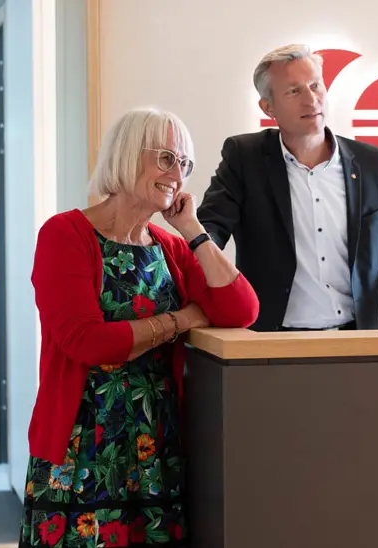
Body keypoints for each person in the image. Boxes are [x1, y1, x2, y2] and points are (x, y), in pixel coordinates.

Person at [19, 108, 259, 547]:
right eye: (166, 158)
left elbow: (241, 309)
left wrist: (194, 231)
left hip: (155, 443)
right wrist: (181, 319)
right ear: (128, 155)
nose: (177, 175)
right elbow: (87, 342)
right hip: (83, 443)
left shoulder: (170, 246)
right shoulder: (65, 235)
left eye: (184, 164)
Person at [196, 43, 378, 332]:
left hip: (356, 342)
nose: (311, 99)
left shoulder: (373, 165)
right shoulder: (245, 159)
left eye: (316, 85)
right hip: (271, 344)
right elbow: (209, 232)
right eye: (294, 91)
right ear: (268, 107)